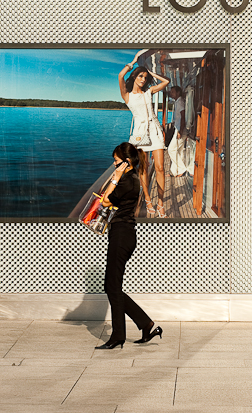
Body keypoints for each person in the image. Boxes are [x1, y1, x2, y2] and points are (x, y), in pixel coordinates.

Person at [96, 142, 163, 350]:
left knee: (113, 287)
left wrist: (116, 176)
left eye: (116, 161)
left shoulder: (127, 180)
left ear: (126, 162)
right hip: (122, 234)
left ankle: (118, 336)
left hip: (122, 235)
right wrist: (118, 175)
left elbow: (105, 201)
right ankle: (145, 324)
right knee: (111, 286)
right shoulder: (129, 178)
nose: (114, 164)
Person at [118, 57, 170, 217]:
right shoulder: (127, 96)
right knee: (143, 169)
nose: (143, 79)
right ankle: (147, 199)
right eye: (140, 76)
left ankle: (160, 203)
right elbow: (120, 76)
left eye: (145, 77)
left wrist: (151, 72)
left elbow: (166, 82)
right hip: (140, 135)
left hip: (154, 131)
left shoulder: (149, 91)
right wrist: (132, 62)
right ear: (134, 76)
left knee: (160, 168)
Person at [167, 86, 188, 177]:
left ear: (178, 93)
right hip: (178, 128)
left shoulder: (180, 102)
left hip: (180, 129)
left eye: (173, 92)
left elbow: (183, 116)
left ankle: (182, 169)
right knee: (178, 151)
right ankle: (174, 171)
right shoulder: (177, 102)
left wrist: (180, 130)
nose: (171, 94)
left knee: (171, 149)